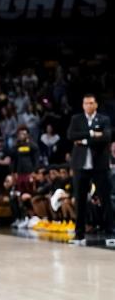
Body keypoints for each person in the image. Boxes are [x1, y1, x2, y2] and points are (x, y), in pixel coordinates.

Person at [67, 94, 112, 244]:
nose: (89, 106)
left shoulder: (104, 119)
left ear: (96, 105)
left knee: (105, 199)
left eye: (91, 103)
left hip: (99, 165)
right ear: (83, 105)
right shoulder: (76, 119)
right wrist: (92, 134)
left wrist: (84, 140)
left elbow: (106, 137)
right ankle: (79, 235)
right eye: (86, 103)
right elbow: (71, 135)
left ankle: (111, 233)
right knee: (80, 200)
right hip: (80, 165)